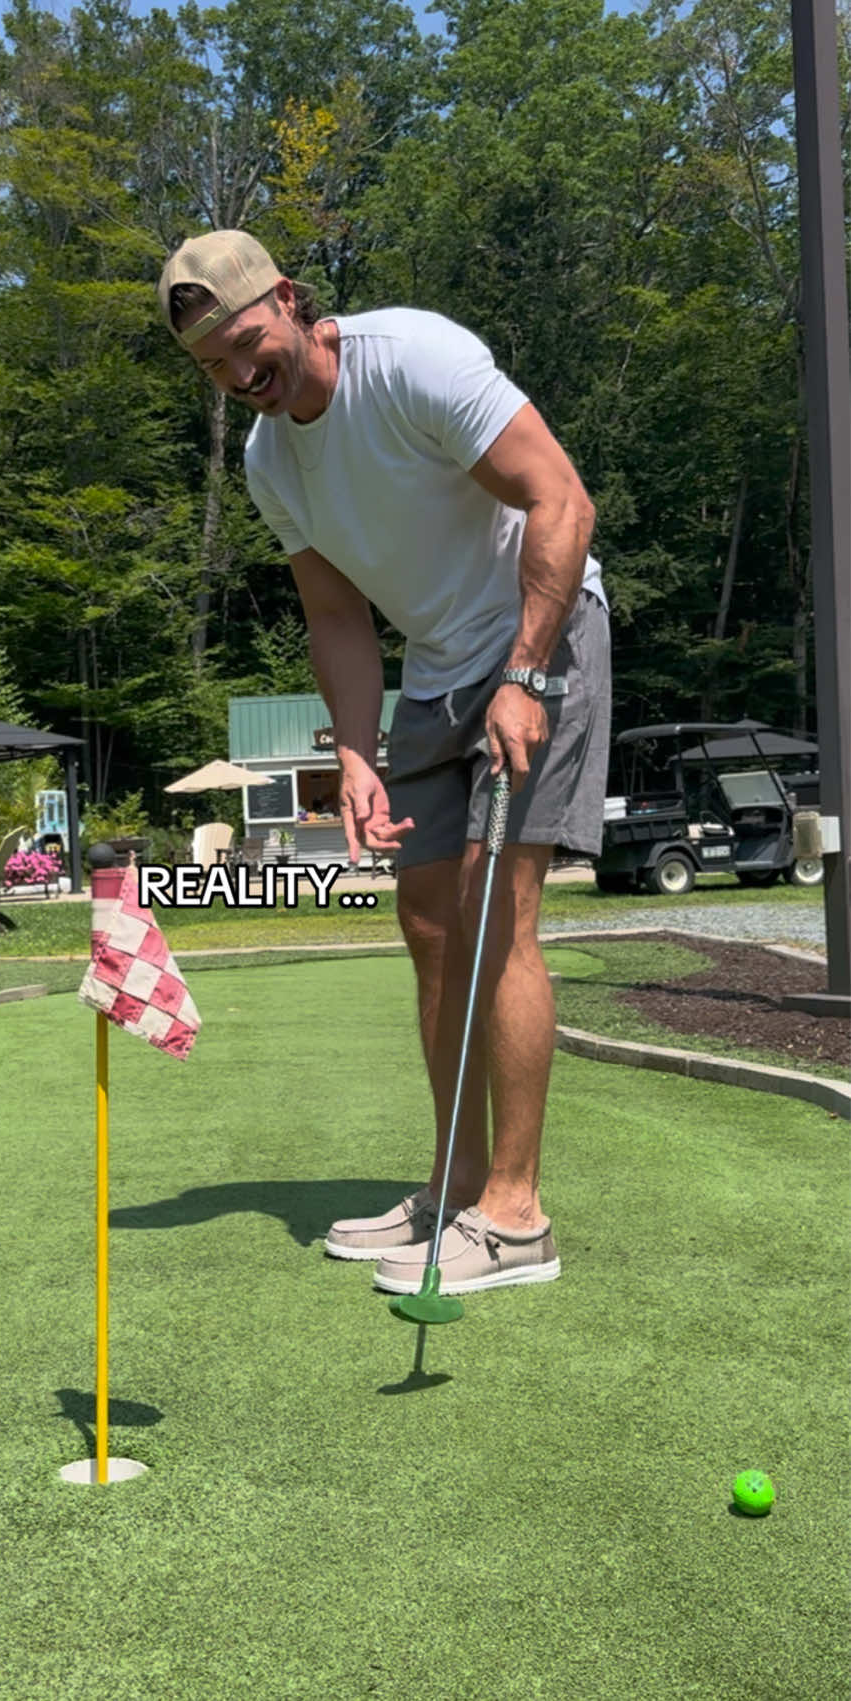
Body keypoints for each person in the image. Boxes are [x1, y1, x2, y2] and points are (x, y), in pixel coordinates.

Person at [157, 230, 611, 1296]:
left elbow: (562, 500)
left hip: (542, 634)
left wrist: (523, 674)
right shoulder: (270, 462)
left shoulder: (412, 359)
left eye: (245, 342)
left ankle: (517, 1216)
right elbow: (335, 617)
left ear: (287, 299)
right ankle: (457, 1186)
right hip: (436, 674)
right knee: (427, 925)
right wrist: (354, 756)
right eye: (213, 366)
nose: (239, 374)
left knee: (494, 906)